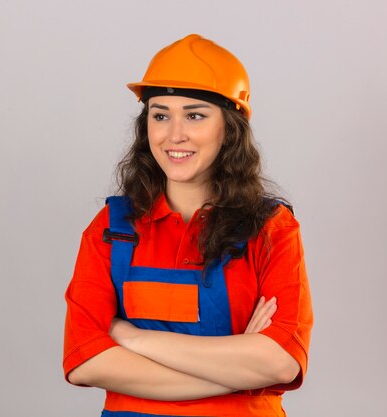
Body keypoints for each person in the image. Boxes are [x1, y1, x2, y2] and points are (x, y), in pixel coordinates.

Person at [63, 34, 313, 417]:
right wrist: (238, 371)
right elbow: (86, 363)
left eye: (195, 115)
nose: (174, 134)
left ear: (229, 129)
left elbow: (280, 362)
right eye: (160, 115)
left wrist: (131, 337)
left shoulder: (270, 229)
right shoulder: (112, 229)